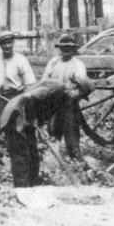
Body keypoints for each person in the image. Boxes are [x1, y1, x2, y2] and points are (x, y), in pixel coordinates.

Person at [0, 79, 76, 187]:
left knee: (33, 153)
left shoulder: (63, 96)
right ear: (74, 87)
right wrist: (30, 118)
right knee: (21, 153)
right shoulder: (55, 87)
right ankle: (22, 188)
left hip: (27, 120)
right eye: (79, 94)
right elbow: (28, 96)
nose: (77, 97)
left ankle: (33, 184)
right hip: (15, 116)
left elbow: (42, 108)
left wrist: (38, 125)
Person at [41, 32, 93, 160]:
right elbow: (45, 80)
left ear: (74, 49)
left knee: (71, 138)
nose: (66, 50)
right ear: (59, 48)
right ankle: (54, 163)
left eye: (69, 47)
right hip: (52, 103)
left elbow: (80, 86)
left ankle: (77, 162)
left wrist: (73, 93)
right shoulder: (54, 62)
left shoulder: (78, 65)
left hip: (68, 104)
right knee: (52, 134)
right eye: (63, 47)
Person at [0, 31, 36, 139]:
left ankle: (13, 148)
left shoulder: (21, 60)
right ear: (0, 45)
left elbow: (30, 83)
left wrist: (24, 101)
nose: (7, 46)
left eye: (9, 43)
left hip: (15, 96)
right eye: (4, 43)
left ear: (13, 43)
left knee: (13, 125)